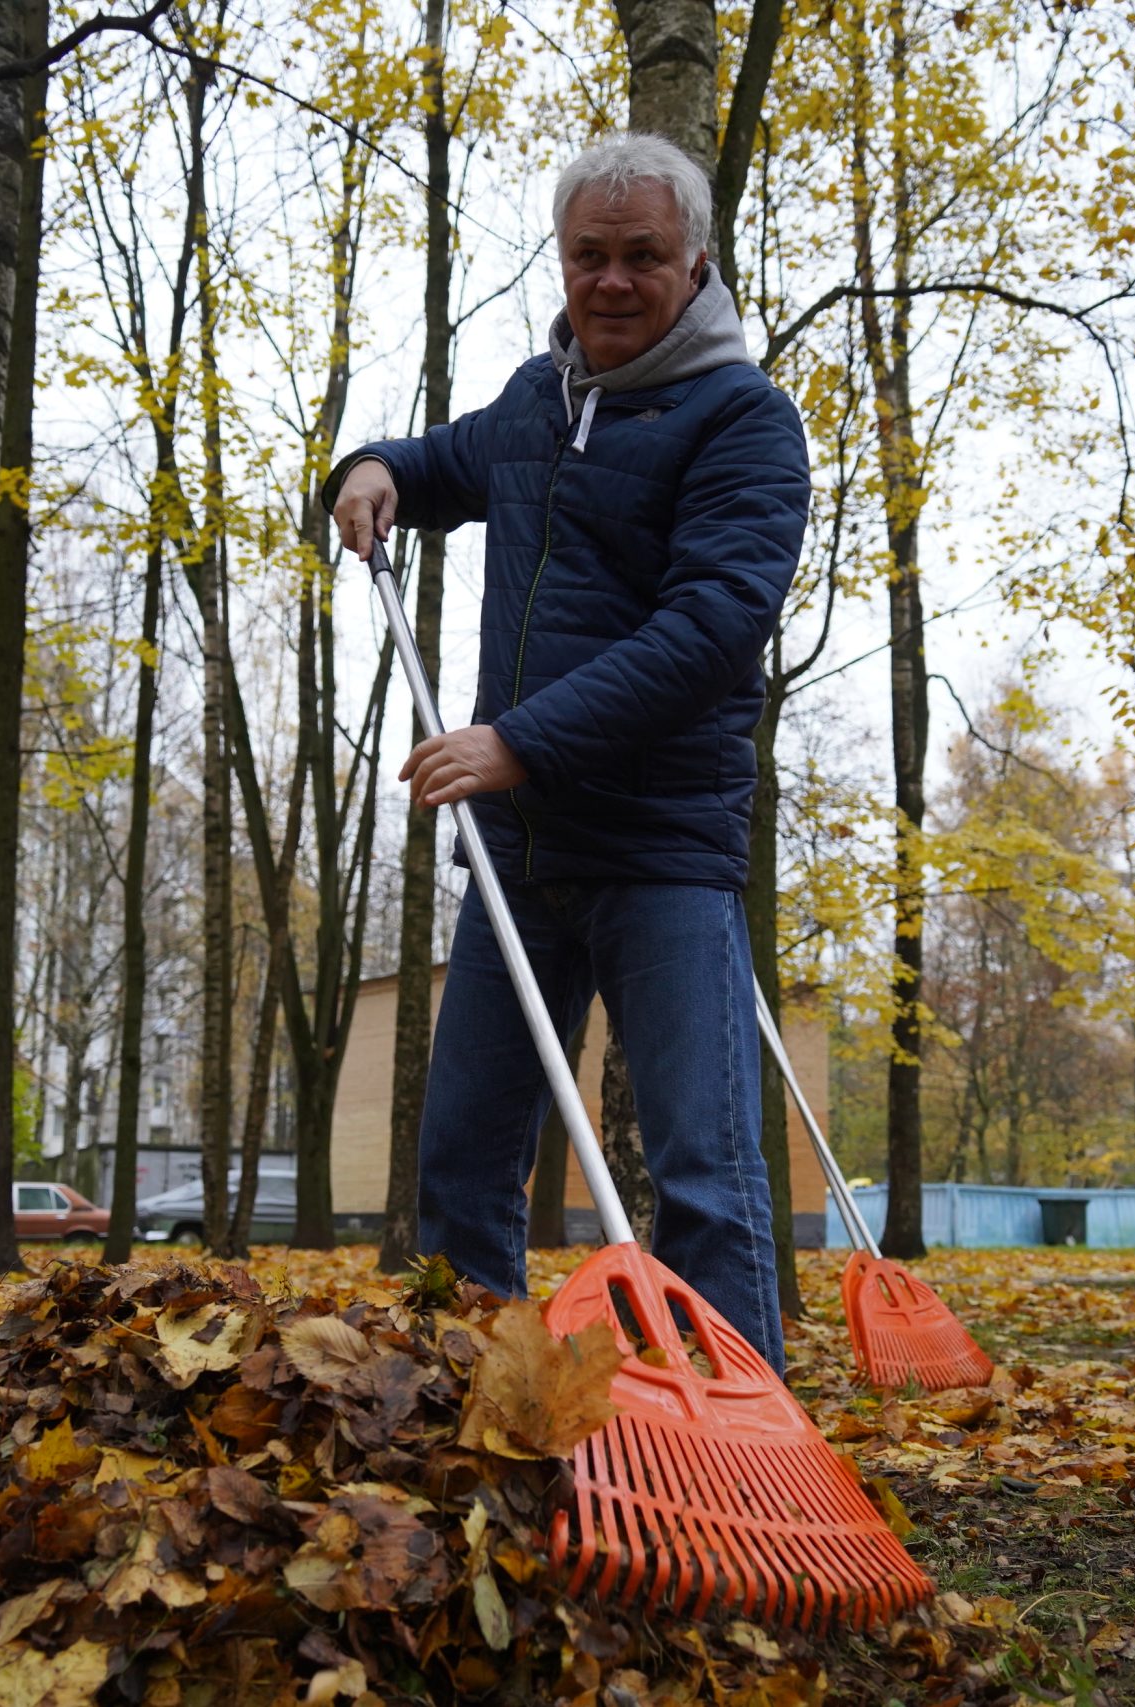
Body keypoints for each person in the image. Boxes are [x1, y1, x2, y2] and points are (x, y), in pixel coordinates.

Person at [327, 133, 809, 1372]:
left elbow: (710, 630)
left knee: (703, 1169)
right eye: (588, 254)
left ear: (696, 262)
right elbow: (440, 463)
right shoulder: (536, 404)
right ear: (560, 257)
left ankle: (742, 1430)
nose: (611, 281)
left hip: (661, 851)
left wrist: (518, 743)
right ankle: (466, 1402)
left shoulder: (743, 422)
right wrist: (370, 467)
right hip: (522, 860)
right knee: (462, 1161)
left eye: (642, 255)